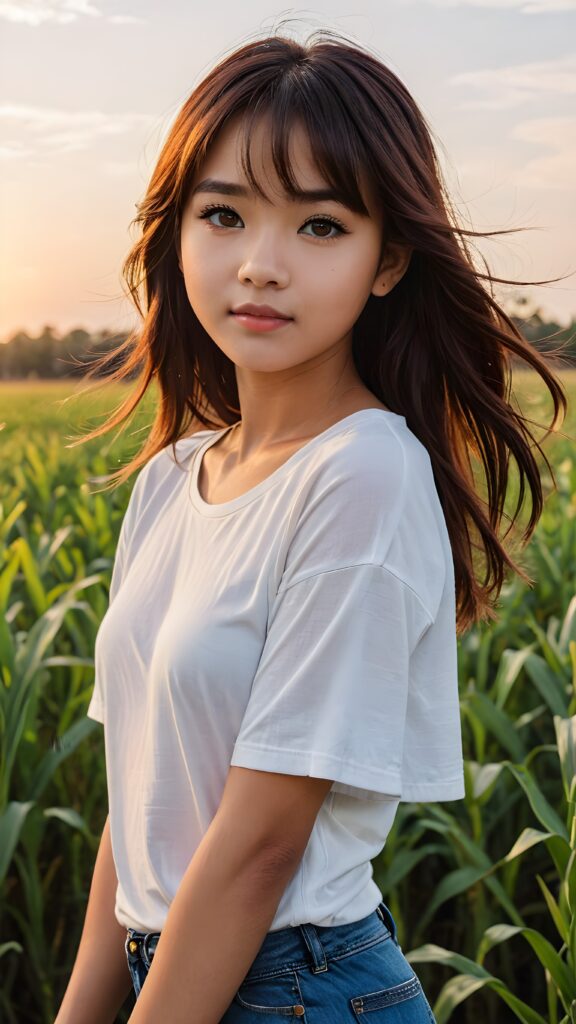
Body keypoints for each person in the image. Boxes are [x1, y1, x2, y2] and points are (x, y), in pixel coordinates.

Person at [55, 29, 567, 1024]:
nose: (259, 264)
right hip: (179, 973)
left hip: (302, 991)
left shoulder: (364, 475)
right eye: (224, 214)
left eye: (321, 226)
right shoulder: (169, 480)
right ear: (178, 231)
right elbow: (141, 804)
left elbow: (257, 849)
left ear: (389, 262)